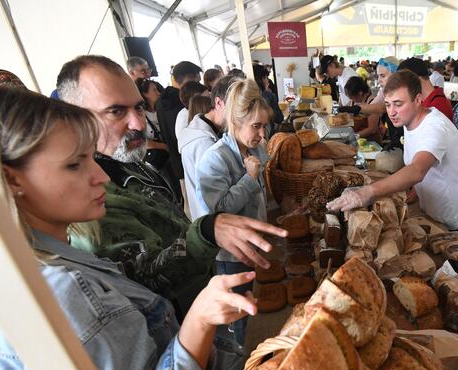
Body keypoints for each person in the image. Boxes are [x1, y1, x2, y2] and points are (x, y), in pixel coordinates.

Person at [0, 85, 255, 370]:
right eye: (74, 165)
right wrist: (201, 319)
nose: (99, 175)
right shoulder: (61, 288)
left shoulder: (38, 263)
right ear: (13, 179)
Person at [56, 55, 286, 319]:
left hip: (198, 309)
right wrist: (207, 231)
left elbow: (175, 233)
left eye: (139, 108)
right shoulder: (91, 201)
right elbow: (147, 280)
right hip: (175, 335)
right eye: (116, 111)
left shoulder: (131, 163)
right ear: (76, 119)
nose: (139, 124)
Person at [327, 70, 458, 231]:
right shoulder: (409, 119)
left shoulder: (435, 127)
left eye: (398, 104)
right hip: (430, 207)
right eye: (388, 105)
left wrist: (367, 192)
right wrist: (416, 188)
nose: (392, 112)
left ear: (418, 100)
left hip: (450, 215)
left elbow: (417, 169)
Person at [196, 79, 272, 346]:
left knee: (255, 301)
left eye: (264, 126)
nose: (262, 134)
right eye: (256, 126)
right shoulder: (214, 159)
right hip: (232, 253)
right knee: (241, 312)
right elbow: (218, 213)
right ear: (235, 121)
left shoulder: (255, 148)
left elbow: (261, 193)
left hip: (255, 241)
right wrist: (249, 178)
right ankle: (245, 355)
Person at [181, 75, 236, 220]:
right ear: (219, 103)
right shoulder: (203, 143)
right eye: (238, 107)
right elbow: (215, 199)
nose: (243, 114)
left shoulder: (207, 129)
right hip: (214, 223)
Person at [156, 61, 202, 203]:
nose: (199, 85)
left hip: (177, 164)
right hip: (192, 164)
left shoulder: (161, 102)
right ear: (188, 79)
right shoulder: (183, 104)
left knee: (190, 205)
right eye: (196, 81)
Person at [136, 78, 170, 173]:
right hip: (157, 162)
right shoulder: (141, 115)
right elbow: (143, 142)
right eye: (154, 90)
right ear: (145, 94)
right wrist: (165, 146)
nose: (158, 93)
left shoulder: (161, 110)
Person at [344, 76, 381, 141]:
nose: (351, 99)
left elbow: (372, 129)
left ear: (360, 93)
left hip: (370, 140)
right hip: (356, 137)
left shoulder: (372, 102)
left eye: (352, 97)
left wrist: (354, 136)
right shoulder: (354, 101)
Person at [253, 63, 284, 132]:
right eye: (266, 78)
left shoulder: (247, 97)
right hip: (268, 135)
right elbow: (279, 118)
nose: (268, 81)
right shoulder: (269, 96)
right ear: (261, 79)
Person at [176, 81, 208, 146]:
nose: (210, 102)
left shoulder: (184, 113)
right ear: (196, 100)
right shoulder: (185, 118)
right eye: (206, 98)